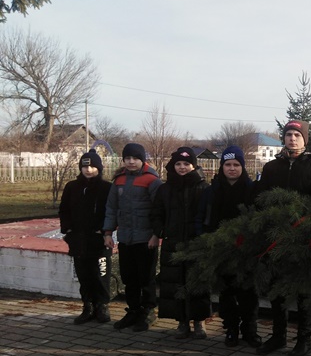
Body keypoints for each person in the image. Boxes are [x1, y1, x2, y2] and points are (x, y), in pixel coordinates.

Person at [254, 120, 311, 356]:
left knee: (302, 289)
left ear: (304, 139)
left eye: (297, 135)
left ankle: (304, 340)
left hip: (302, 235)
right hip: (276, 235)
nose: (292, 139)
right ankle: (278, 336)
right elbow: (261, 197)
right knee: (277, 287)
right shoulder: (271, 168)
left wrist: (302, 219)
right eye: (288, 134)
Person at [198, 146, 262, 349]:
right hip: (220, 250)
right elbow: (201, 218)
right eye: (228, 164)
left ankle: (250, 331)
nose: (232, 169)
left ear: (242, 166)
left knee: (248, 294)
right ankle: (231, 330)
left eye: (236, 165)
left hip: (246, 251)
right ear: (222, 167)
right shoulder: (212, 191)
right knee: (226, 294)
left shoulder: (252, 191)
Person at [151, 147, 211, 339]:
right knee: (175, 283)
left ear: (193, 165)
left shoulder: (203, 188)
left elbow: (208, 215)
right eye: (178, 163)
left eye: (186, 164)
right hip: (173, 243)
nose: (182, 167)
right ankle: (182, 322)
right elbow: (157, 213)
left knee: (197, 282)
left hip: (196, 243)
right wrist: (159, 232)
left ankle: (199, 321)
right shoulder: (165, 189)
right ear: (172, 165)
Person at [103, 143, 162, 332]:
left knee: (146, 278)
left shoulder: (152, 180)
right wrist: (108, 233)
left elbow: (159, 210)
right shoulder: (119, 181)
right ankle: (133, 310)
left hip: (146, 239)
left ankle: (148, 311)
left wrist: (156, 235)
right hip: (126, 238)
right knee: (129, 277)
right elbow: (111, 208)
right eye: (127, 158)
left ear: (142, 160)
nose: (131, 162)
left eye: (135, 158)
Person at [59, 149, 113, 324]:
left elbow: (111, 212)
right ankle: (87, 306)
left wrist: (105, 231)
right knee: (84, 275)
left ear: (99, 167)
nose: (88, 170)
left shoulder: (106, 188)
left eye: (92, 166)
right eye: (85, 166)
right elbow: (64, 210)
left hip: (99, 239)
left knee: (100, 274)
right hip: (78, 239)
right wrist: (67, 231)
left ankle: (102, 306)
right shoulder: (72, 187)